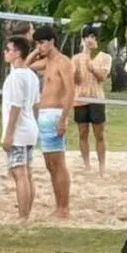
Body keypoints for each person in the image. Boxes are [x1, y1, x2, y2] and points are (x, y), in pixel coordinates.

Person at [26, 26, 74, 218]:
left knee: (58, 163)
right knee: (50, 165)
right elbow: (26, 66)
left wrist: (63, 118)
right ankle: (58, 205)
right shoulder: (47, 62)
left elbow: (70, 91)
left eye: (42, 42)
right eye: (37, 43)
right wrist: (37, 51)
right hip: (44, 114)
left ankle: (64, 207)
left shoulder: (63, 62)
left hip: (55, 114)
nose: (40, 47)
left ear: (52, 41)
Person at [0, 35, 40, 221]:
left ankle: (23, 216)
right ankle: (26, 214)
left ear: (17, 53)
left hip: (20, 131)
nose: (5, 53)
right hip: (29, 128)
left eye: (8, 50)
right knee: (26, 173)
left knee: (19, 173)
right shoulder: (31, 75)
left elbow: (15, 107)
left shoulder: (16, 77)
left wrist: (8, 135)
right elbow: (35, 106)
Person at [72, 25, 113, 173]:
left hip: (97, 99)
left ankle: (102, 166)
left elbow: (102, 77)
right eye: (88, 37)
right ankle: (87, 165)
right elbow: (75, 80)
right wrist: (76, 71)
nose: (91, 40)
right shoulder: (76, 58)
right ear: (83, 39)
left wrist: (92, 68)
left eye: (94, 37)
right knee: (83, 133)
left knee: (99, 134)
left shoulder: (105, 57)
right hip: (79, 99)